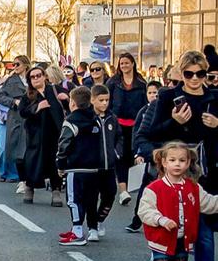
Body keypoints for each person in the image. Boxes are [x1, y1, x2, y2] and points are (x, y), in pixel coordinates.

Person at [145, 49, 218, 261]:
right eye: (189, 74)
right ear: (182, 73)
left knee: (205, 237)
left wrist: (217, 125)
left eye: (201, 74)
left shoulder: (214, 98)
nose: (195, 79)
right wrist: (173, 122)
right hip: (176, 173)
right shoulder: (168, 97)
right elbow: (152, 133)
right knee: (176, 235)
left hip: (206, 173)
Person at [137, 142, 218, 261]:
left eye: (182, 160)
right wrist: (161, 220)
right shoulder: (154, 188)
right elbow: (144, 211)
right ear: (163, 162)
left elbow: (210, 204)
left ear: (189, 162)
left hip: (182, 243)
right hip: (162, 244)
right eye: (172, 160)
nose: (177, 164)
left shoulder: (193, 188)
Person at [56, 86, 121, 246]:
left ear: (72, 103)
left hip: (75, 167)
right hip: (94, 169)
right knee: (90, 199)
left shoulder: (71, 121)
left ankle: (77, 231)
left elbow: (64, 144)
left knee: (73, 199)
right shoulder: (95, 120)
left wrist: (61, 164)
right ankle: (85, 228)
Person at [19, 65, 65, 206]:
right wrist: (36, 108)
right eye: (32, 77)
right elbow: (22, 111)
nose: (36, 79)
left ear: (44, 76)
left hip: (55, 133)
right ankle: (30, 187)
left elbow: (74, 101)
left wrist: (67, 98)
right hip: (36, 134)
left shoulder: (55, 90)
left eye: (38, 75)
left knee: (54, 161)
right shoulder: (28, 96)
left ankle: (56, 190)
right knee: (33, 161)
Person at [107, 52, 146, 206]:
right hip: (118, 125)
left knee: (132, 156)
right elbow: (107, 102)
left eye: (127, 63)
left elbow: (145, 105)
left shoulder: (141, 84)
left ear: (133, 64)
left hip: (136, 125)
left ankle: (131, 187)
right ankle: (123, 190)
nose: (124, 66)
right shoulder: (113, 82)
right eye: (121, 63)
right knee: (120, 157)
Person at [126, 80, 163, 233]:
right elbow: (138, 134)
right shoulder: (144, 111)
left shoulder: (165, 109)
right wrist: (139, 153)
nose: (153, 95)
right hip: (152, 156)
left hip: (168, 155)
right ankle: (137, 219)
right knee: (145, 189)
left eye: (156, 92)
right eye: (150, 92)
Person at [0, 55, 30, 186]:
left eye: (17, 64)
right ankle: (16, 175)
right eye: (13, 65)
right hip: (16, 117)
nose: (14, 67)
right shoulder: (11, 80)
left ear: (26, 65)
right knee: (14, 146)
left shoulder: (33, 78)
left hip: (32, 116)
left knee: (30, 147)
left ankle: (28, 177)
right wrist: (13, 101)